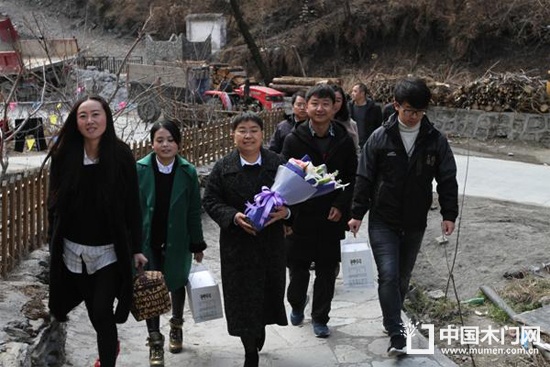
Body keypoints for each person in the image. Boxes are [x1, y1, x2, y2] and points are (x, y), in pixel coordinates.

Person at [347, 77, 459, 357]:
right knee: (388, 274)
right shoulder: (380, 137)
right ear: (396, 106)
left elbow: (447, 179)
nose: (413, 117)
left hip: (414, 220)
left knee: (401, 277)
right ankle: (397, 334)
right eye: (408, 110)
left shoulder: (435, 140)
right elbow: (364, 175)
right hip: (383, 218)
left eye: (419, 112)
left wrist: (449, 214)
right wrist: (357, 212)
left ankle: (392, 317)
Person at [44, 95, 148, 367]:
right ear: (76, 121)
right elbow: (52, 203)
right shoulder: (64, 154)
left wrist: (137, 248)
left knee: (103, 311)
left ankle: (107, 361)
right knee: (93, 311)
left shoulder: (121, 155)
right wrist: (51, 238)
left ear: (107, 117)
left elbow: (133, 207)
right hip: (73, 250)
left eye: (96, 114)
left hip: (109, 251)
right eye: (83, 116)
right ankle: (110, 347)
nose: (90, 121)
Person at [202, 112, 289, 367]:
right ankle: (249, 349)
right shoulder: (223, 167)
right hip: (237, 247)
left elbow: (294, 197)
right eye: (242, 130)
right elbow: (210, 200)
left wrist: (287, 213)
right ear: (233, 135)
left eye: (253, 130)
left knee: (265, 294)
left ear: (263, 134)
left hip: (270, 245)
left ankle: (258, 329)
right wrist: (232, 216)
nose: (248, 135)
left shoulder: (278, 163)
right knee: (241, 299)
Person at [281, 84, 357, 338]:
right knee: (298, 270)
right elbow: (284, 177)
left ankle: (320, 317)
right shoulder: (294, 139)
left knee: (326, 271)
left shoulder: (344, 141)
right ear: (307, 106)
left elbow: (351, 178)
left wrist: (340, 205)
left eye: (326, 103)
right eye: (314, 103)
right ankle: (296, 303)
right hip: (300, 216)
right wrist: (287, 214)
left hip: (330, 217)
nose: (320, 108)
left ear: (335, 107)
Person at [136, 120, 207, 366]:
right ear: (152, 143)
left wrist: (197, 244)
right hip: (148, 242)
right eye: (160, 140)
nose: (165, 144)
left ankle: (176, 325)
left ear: (178, 143)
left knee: (176, 283)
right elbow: (133, 210)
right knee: (150, 288)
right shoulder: (140, 170)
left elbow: (193, 211)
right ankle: (155, 341)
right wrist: (133, 245)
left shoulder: (188, 172)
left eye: (170, 140)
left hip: (178, 241)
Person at [348, 82, 383, 150]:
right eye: (352, 91)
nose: (352, 93)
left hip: (369, 144)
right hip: (352, 145)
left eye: (355, 91)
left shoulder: (374, 108)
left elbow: (379, 127)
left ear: (362, 93)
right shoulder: (349, 107)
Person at [331, 84, 360, 156]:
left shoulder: (351, 124)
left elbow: (356, 150)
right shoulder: (315, 122)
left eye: (338, 101)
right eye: (331, 100)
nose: (334, 104)